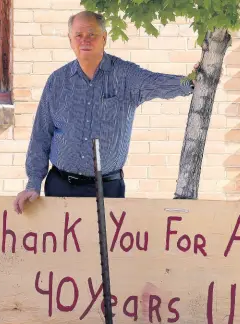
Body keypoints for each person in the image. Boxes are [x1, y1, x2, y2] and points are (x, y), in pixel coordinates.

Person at [13, 11, 196, 214]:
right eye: (78, 35)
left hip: (107, 190)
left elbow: (157, 83)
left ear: (104, 38)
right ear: (70, 40)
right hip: (61, 188)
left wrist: (192, 82)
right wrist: (33, 183)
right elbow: (41, 136)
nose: (85, 40)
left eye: (92, 34)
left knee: (105, 247)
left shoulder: (125, 76)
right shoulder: (57, 81)